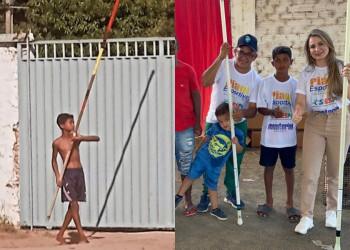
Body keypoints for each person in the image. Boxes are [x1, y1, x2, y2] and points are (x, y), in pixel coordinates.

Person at [292, 29, 350, 235]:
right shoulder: (306, 72)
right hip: (314, 122)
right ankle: (306, 216)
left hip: (339, 119)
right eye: (312, 46)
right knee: (310, 172)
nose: (317, 49)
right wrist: (298, 112)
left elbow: (347, 97)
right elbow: (300, 101)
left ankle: (331, 212)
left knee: (335, 171)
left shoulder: (342, 67)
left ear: (328, 44)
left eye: (320, 44)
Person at [198, 34, 262, 211]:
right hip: (215, 121)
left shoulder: (256, 80)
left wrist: (243, 114)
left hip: (237, 124)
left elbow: (253, 109)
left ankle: (231, 192)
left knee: (234, 160)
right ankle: (206, 194)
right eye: (241, 52)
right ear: (235, 51)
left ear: (255, 57)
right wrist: (220, 57)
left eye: (249, 54)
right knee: (210, 158)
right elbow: (204, 81)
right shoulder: (224, 65)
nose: (244, 57)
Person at [175, 103, 244, 220]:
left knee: (212, 185)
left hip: (215, 165)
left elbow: (239, 151)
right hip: (202, 158)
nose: (223, 124)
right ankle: (178, 196)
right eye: (221, 121)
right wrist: (198, 149)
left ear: (233, 117)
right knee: (191, 176)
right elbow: (206, 137)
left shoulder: (237, 134)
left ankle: (215, 208)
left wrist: (236, 143)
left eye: (226, 120)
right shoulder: (216, 127)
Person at [256, 46, 300, 222]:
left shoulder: (296, 84)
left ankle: (289, 203)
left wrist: (297, 114)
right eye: (278, 60)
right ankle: (269, 201)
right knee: (269, 168)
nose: (281, 63)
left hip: (289, 138)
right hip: (270, 138)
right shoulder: (265, 83)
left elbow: (300, 107)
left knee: (289, 169)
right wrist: (272, 112)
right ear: (272, 62)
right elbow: (260, 108)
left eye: (285, 59)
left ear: (291, 62)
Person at [52, 113, 100, 244]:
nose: (73, 125)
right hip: (67, 174)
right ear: (62, 126)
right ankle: (81, 234)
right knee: (74, 204)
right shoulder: (57, 143)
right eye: (70, 123)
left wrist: (82, 137)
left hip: (79, 172)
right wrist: (57, 176)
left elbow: (97, 138)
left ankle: (60, 234)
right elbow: (54, 161)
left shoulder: (76, 139)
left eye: (73, 122)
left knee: (73, 206)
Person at [175, 37, 202, 216]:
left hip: (185, 128)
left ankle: (188, 201)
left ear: (178, 48)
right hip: (161, 129)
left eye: (173, 46)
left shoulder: (187, 70)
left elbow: (196, 96)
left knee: (186, 167)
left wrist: (197, 121)